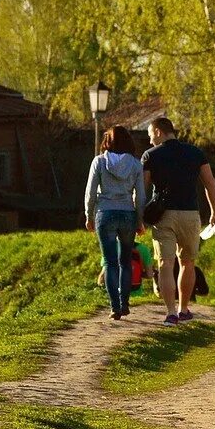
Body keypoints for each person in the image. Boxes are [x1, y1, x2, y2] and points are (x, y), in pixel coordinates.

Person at [141, 116, 215, 325]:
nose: (150, 141)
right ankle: (184, 308)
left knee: (165, 264)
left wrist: (138, 217)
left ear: (158, 131)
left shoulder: (150, 155)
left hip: (163, 215)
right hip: (190, 214)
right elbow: (210, 183)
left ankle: (170, 313)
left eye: (150, 135)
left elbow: (142, 190)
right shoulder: (195, 153)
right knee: (188, 263)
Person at [85, 124, 145, 320]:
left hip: (105, 213)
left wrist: (88, 215)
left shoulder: (99, 162)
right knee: (125, 262)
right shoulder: (136, 165)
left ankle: (115, 307)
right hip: (127, 214)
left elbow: (90, 192)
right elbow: (141, 196)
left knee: (110, 263)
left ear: (107, 141)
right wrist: (140, 219)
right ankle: (125, 303)